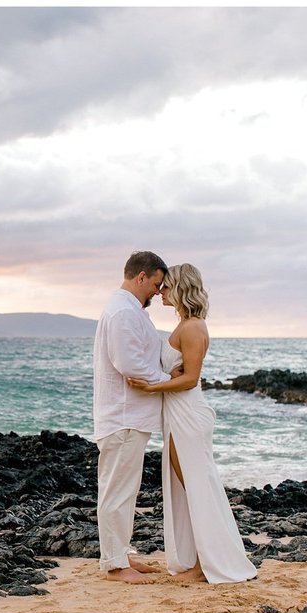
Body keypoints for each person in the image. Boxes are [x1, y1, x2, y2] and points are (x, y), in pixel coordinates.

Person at [127, 264, 257, 584]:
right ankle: (199, 560)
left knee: (199, 490)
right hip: (178, 416)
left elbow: (190, 380)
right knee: (190, 490)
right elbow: (180, 373)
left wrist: (152, 387)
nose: (161, 293)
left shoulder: (193, 327)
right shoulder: (185, 324)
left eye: (167, 288)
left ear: (181, 288)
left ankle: (205, 565)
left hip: (189, 415)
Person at [93, 250, 176, 584]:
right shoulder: (122, 312)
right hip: (123, 416)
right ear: (141, 277)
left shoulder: (128, 310)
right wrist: (170, 383)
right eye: (156, 284)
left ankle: (120, 553)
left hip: (129, 416)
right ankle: (115, 565)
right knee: (117, 491)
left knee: (125, 490)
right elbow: (129, 365)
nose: (158, 292)